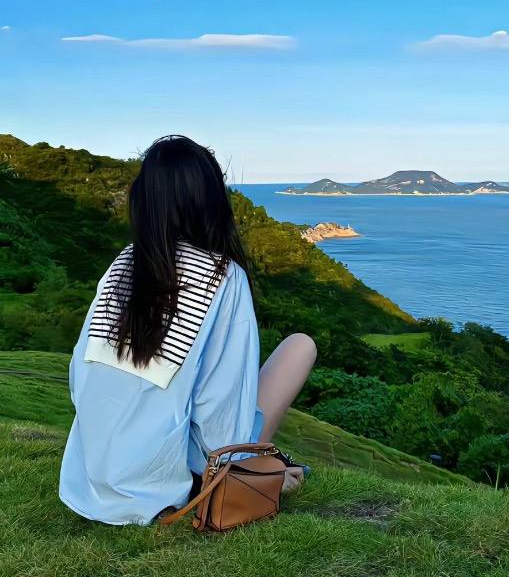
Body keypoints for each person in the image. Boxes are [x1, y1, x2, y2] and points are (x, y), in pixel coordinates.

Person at [59, 135, 316, 525]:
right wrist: (256, 474)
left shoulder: (123, 264)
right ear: (211, 201)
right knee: (300, 346)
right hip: (168, 489)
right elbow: (220, 415)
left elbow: (81, 379)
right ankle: (264, 473)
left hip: (89, 481)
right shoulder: (221, 276)